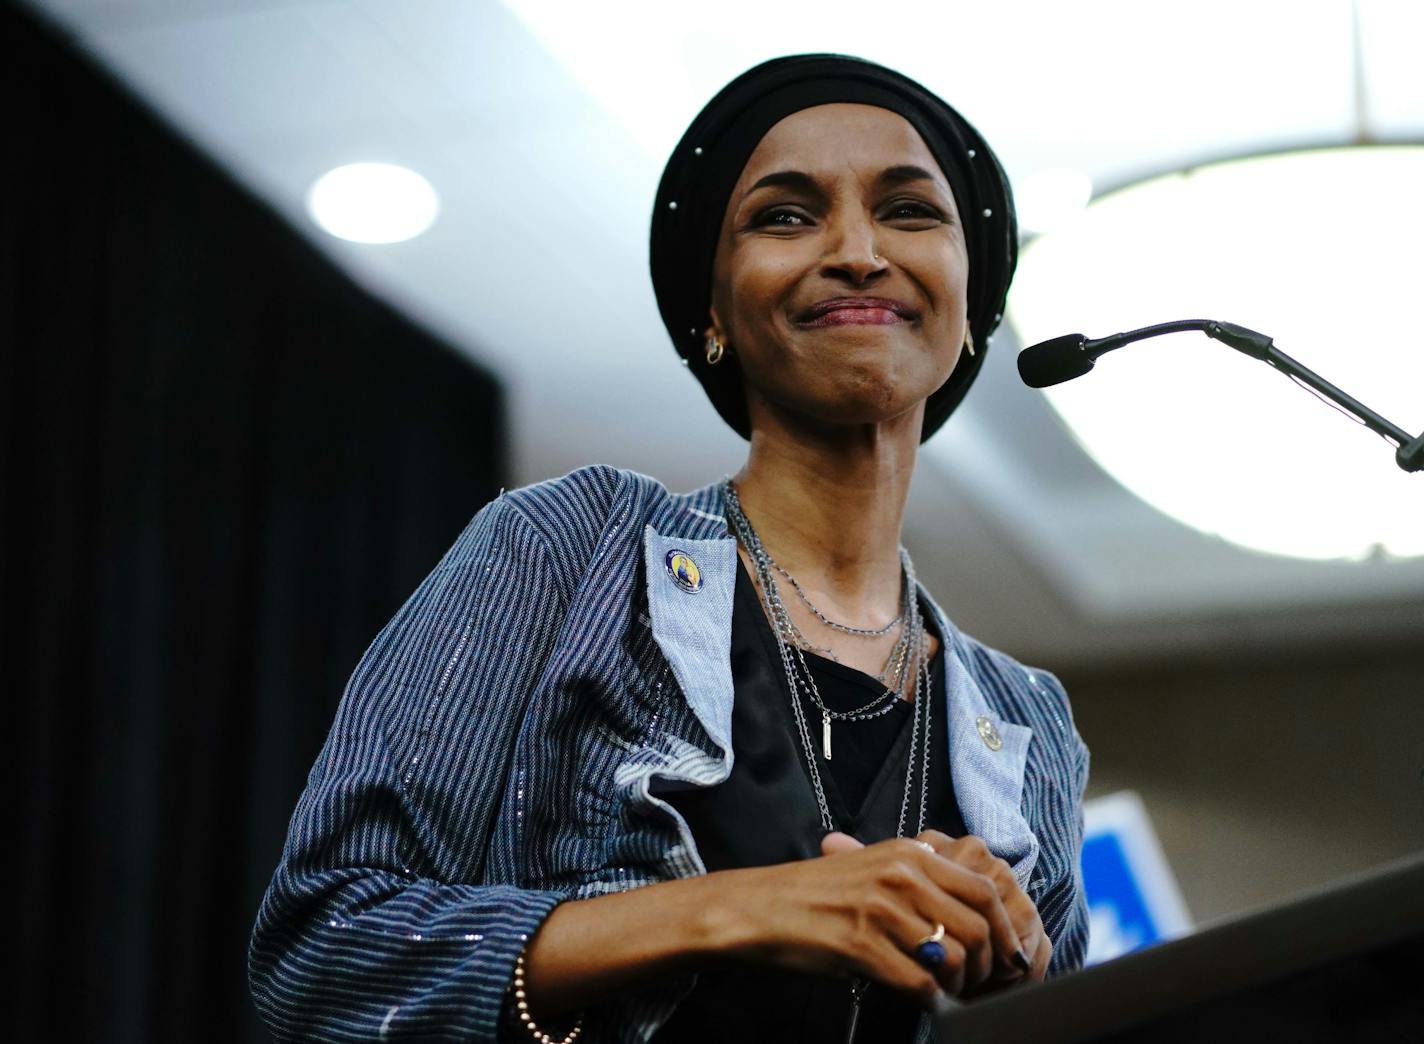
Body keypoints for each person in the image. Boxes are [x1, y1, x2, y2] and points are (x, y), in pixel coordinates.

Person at [249, 53, 1090, 1044]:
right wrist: (739, 911)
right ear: (710, 313)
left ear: (968, 306)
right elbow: (320, 952)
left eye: (909, 211)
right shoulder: (569, 549)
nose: (859, 250)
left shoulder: (1025, 723)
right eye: (785, 215)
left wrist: (1022, 996)